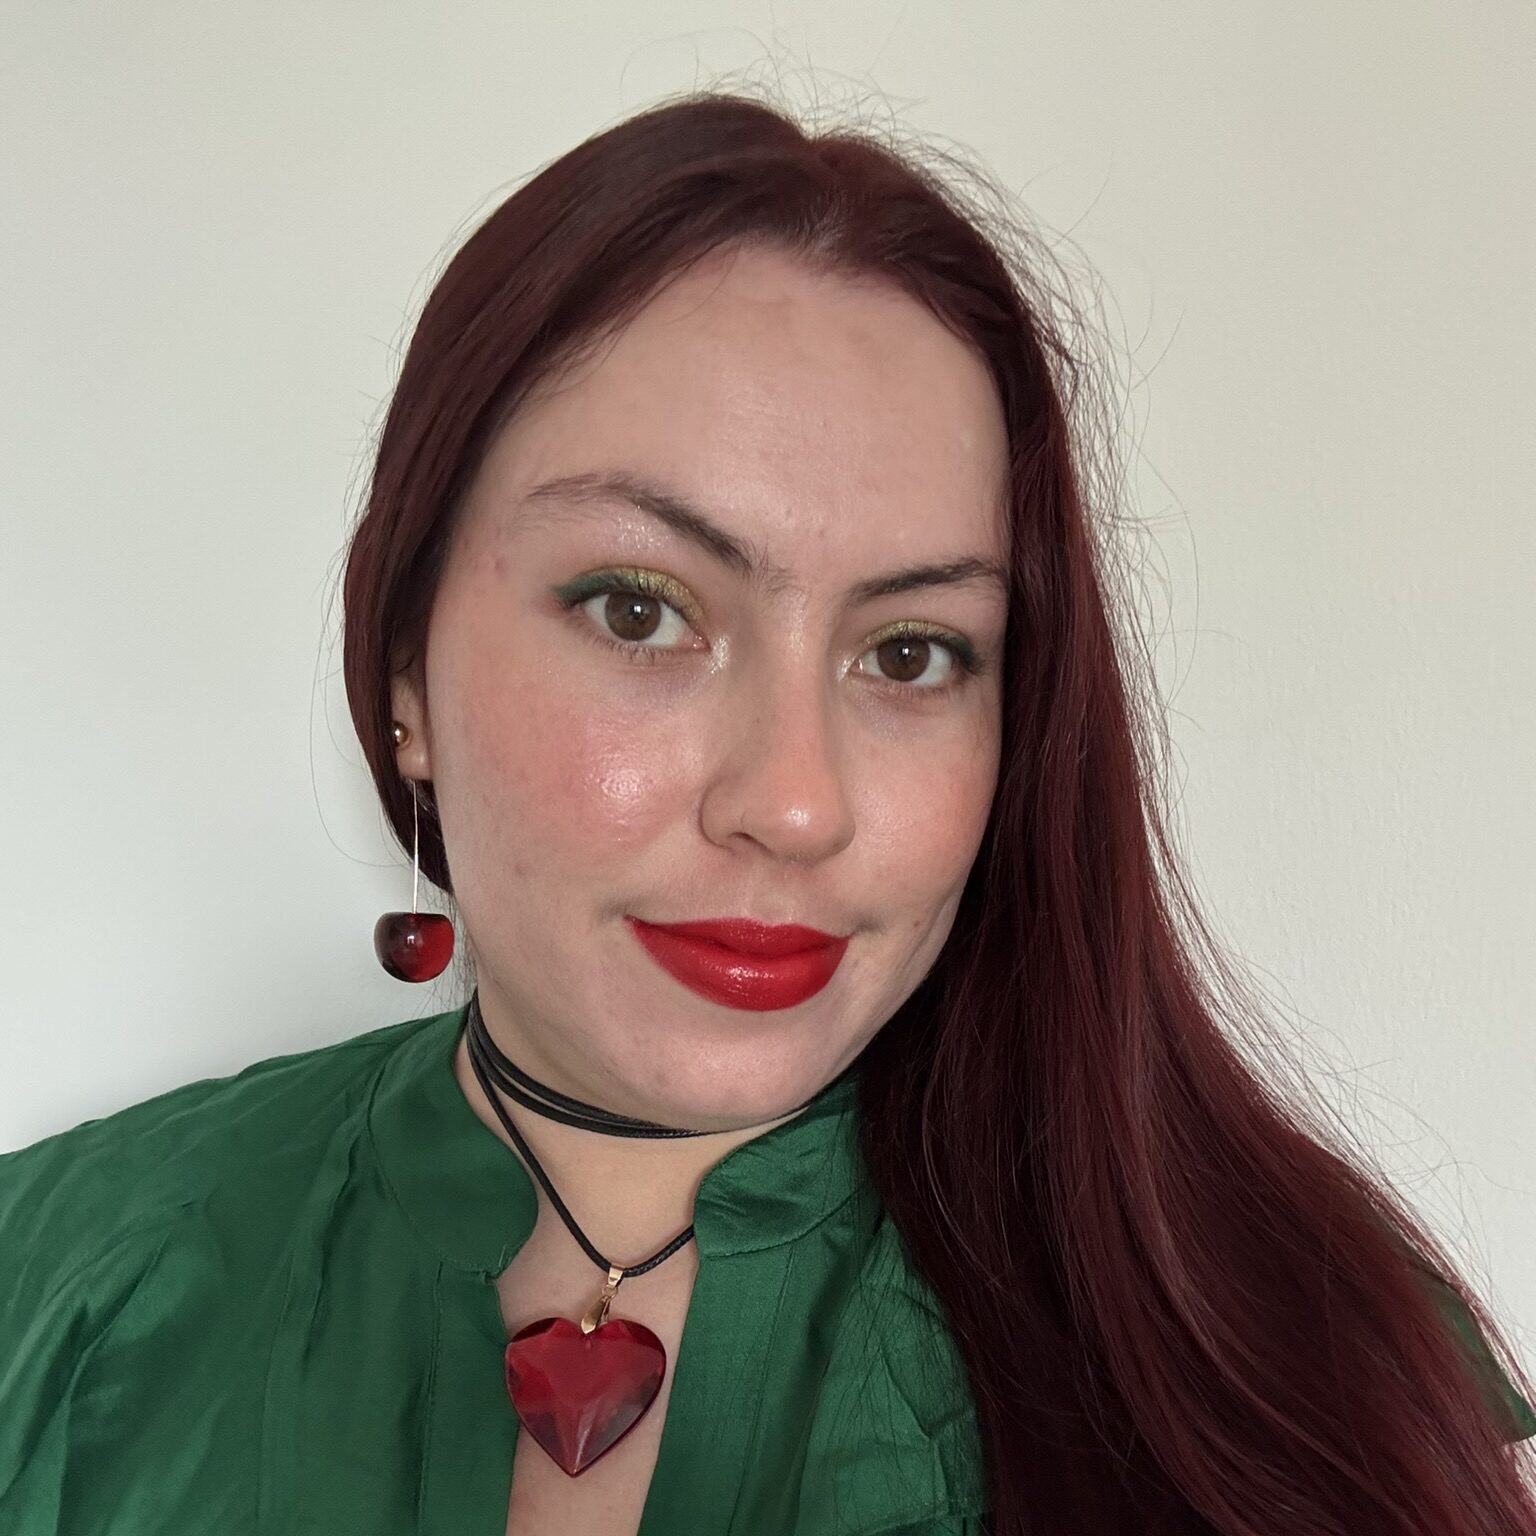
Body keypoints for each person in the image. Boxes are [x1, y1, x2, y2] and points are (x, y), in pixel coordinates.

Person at [2, 89, 1532, 1536]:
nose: (796, 805)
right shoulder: (49, 1283)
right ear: (406, 661)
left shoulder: (1304, 1361)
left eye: (911, 653)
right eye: (639, 610)